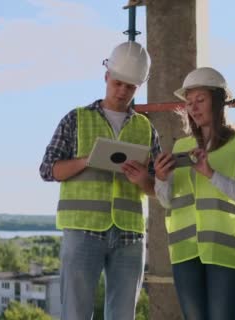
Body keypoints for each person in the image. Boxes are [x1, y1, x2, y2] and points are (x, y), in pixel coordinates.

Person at [39, 41, 161, 320]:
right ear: (106, 76)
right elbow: (48, 170)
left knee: (123, 315)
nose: (122, 92)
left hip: (129, 235)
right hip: (83, 232)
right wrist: (86, 160)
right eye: (118, 83)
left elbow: (157, 189)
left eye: (130, 87)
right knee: (76, 314)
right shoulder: (76, 119)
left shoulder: (146, 128)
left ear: (137, 87)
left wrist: (144, 180)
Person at [154, 67, 235, 320]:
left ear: (218, 100)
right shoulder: (181, 147)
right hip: (185, 253)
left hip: (225, 253)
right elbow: (167, 200)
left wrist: (212, 174)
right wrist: (161, 179)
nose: (193, 107)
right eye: (189, 103)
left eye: (200, 100)